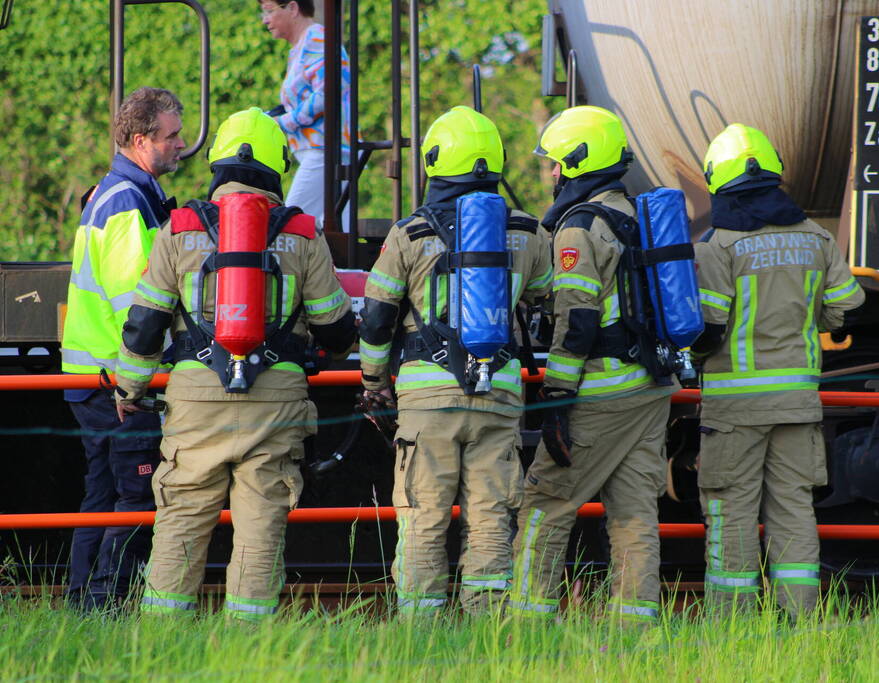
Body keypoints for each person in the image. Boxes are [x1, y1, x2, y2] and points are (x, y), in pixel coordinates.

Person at [114, 108, 357, 621]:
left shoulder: (178, 229)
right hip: (276, 402)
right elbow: (336, 330)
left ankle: (161, 636)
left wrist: (129, 389)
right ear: (276, 167)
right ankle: (249, 645)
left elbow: (144, 324)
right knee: (261, 523)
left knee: (181, 517)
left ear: (219, 163)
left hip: (195, 400)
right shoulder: (303, 235)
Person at [359, 106, 552, 616]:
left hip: (427, 400)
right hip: (500, 395)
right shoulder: (530, 232)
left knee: (424, 515)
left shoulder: (410, 232)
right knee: (492, 516)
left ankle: (420, 631)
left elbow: (377, 318)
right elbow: (545, 298)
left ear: (435, 163)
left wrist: (374, 381)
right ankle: (485, 627)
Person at [507, 105, 676, 624]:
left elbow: (576, 320)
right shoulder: (637, 217)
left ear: (579, 162)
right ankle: (634, 631)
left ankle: (526, 623)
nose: (552, 173)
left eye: (556, 162)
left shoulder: (579, 227)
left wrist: (556, 398)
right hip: (650, 387)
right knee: (634, 514)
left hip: (601, 392)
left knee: (545, 502)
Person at [692, 123, 865, 617]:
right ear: (775, 173)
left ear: (717, 178)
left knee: (732, 512)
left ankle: (732, 626)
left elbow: (706, 328)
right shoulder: (816, 238)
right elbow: (846, 310)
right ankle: (800, 619)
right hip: (798, 402)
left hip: (734, 409)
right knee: (794, 510)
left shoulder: (718, 244)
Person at [61, 86, 185, 609]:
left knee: (102, 499)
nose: (181, 144)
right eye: (172, 136)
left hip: (95, 377)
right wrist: (143, 379)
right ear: (140, 140)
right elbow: (136, 309)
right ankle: (108, 610)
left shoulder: (121, 193)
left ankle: (83, 606)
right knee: (133, 500)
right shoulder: (128, 203)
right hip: (116, 384)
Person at [260, 0, 351, 227]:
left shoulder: (317, 40)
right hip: (322, 151)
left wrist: (282, 122)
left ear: (293, 8)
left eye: (270, 11)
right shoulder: (300, 47)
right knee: (333, 232)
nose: (265, 20)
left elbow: (327, 93)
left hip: (327, 151)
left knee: (289, 226)